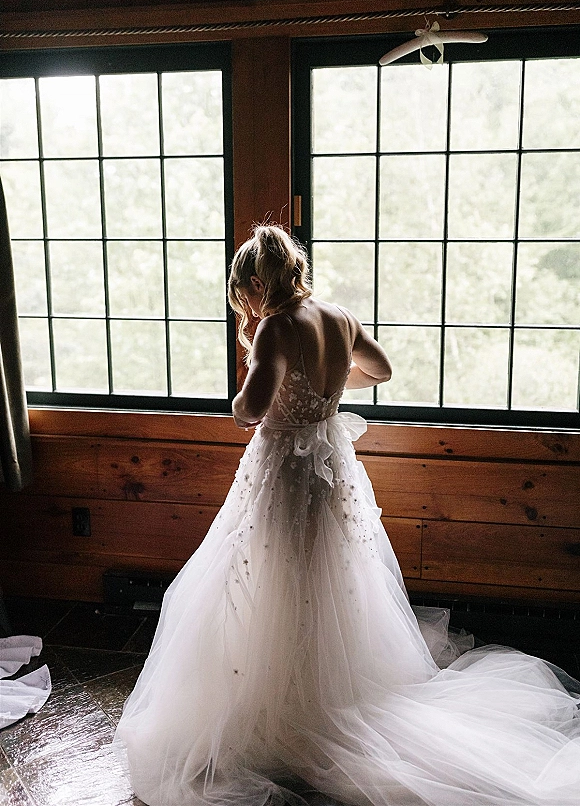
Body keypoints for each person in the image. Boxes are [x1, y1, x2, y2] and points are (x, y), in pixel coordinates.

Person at [114, 225, 580, 806]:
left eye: (244, 295)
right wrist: (330, 384)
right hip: (332, 465)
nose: (247, 307)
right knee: (332, 573)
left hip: (285, 468)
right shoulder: (338, 315)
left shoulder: (275, 329)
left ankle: (290, 701)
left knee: (269, 574)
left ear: (256, 284)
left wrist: (244, 395)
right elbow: (381, 369)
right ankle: (334, 688)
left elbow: (251, 410)